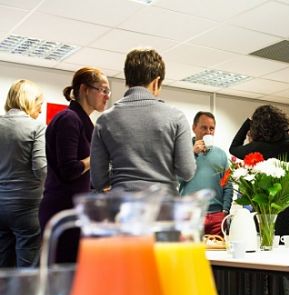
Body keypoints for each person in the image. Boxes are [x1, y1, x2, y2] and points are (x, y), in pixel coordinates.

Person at [91, 48, 196, 195]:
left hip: (122, 208)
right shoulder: (176, 117)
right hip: (164, 207)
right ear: (156, 82)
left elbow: (98, 180)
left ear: (128, 78)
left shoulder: (105, 120)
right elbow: (187, 171)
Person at [40, 67, 110, 263]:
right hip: (62, 210)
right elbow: (70, 169)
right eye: (103, 90)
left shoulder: (83, 122)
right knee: (63, 277)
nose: (106, 96)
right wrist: (98, 157)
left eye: (108, 92)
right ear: (85, 89)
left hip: (74, 210)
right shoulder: (68, 119)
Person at [229, 105, 289, 236]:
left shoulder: (256, 147)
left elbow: (234, 148)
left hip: (264, 210)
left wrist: (248, 122)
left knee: (266, 248)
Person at [0, 80, 46, 267]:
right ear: (29, 100)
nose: (41, 111)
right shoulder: (36, 127)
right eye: (39, 104)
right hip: (27, 206)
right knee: (28, 269)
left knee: (3, 264)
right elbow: (41, 167)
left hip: (0, 203)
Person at [180, 111, 232, 235]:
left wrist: (225, 211)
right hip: (190, 215)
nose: (208, 132)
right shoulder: (182, 152)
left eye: (212, 128)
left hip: (217, 217)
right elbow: (176, 179)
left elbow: (228, 185)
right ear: (194, 128)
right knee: (190, 253)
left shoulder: (221, 155)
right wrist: (192, 154)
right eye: (204, 127)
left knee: (219, 253)